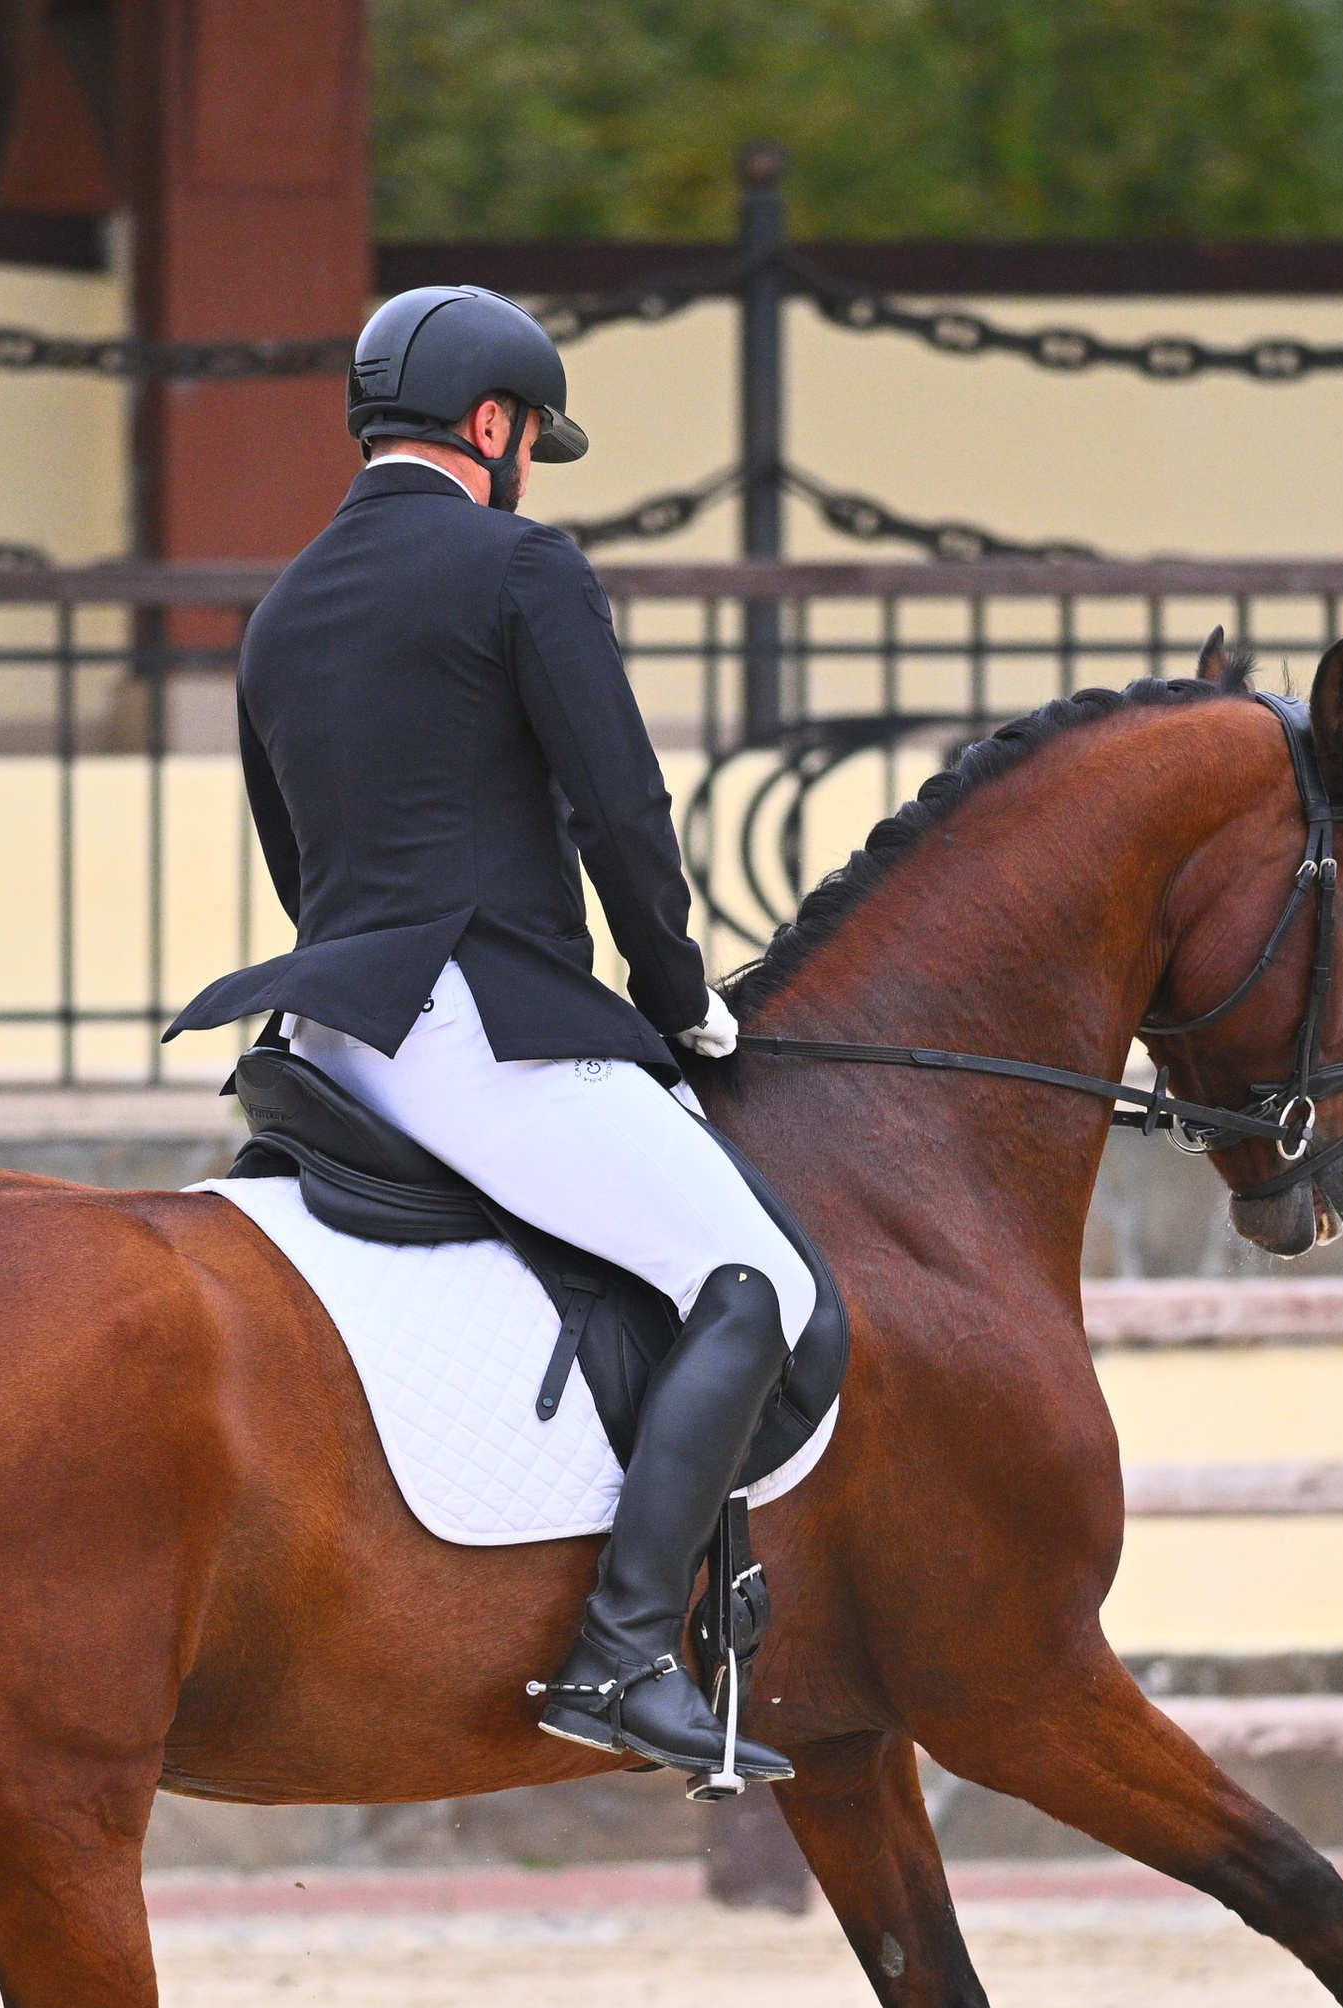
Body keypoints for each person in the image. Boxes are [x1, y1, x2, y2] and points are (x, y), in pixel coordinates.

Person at [168, 285, 814, 1786]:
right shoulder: (522, 563)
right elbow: (617, 807)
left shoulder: (280, 612)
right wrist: (680, 1000)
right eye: (532, 436)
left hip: (336, 1037)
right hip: (480, 1026)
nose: (530, 461)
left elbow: (297, 850)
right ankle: (624, 1654)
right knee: (754, 1277)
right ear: (493, 426)